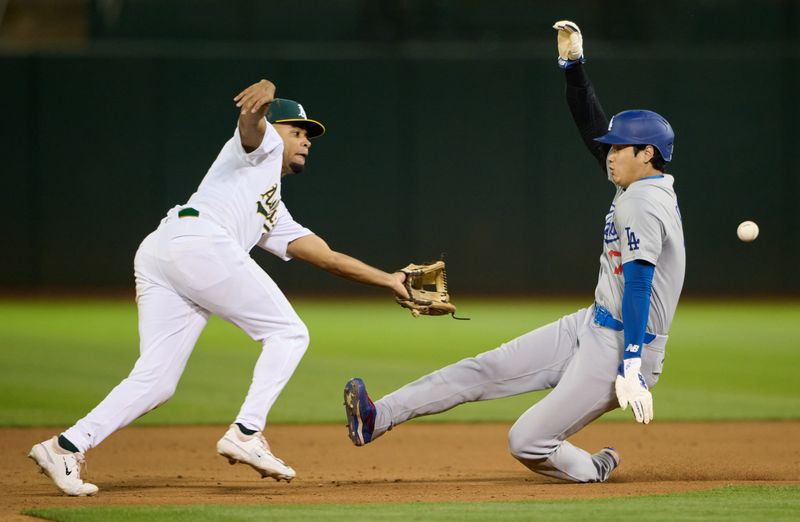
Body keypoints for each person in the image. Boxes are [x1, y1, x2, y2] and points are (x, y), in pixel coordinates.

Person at [29, 79, 409, 496]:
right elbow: (250, 125)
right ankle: (247, 432)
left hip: (163, 250)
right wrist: (262, 96)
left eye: (307, 135)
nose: (306, 141)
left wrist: (389, 279)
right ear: (274, 131)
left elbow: (328, 257)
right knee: (288, 332)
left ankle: (66, 446)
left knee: (157, 381)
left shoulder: (271, 208)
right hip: (198, 242)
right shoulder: (258, 150)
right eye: (296, 131)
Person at [343, 20, 685, 483]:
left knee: (526, 441)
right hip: (593, 323)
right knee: (482, 369)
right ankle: (375, 416)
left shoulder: (645, 202)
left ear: (646, 153)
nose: (607, 154)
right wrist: (573, 67)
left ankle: (595, 467)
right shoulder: (635, 184)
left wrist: (630, 364)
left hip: (626, 346)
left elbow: (641, 281)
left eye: (618, 148)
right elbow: (591, 128)